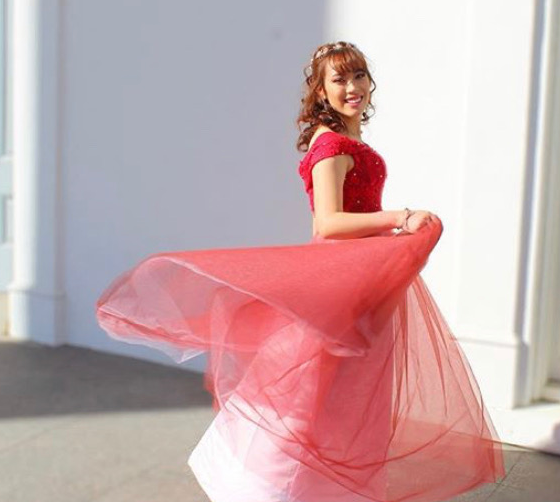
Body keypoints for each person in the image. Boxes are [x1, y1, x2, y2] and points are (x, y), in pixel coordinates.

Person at [96, 41, 505, 502]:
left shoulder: (349, 141)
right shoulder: (330, 144)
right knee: (315, 396)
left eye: (359, 76)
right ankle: (271, 490)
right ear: (321, 91)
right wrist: (399, 218)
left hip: (360, 278)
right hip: (340, 282)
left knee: (345, 397)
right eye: (339, 79)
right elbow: (327, 224)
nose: (352, 87)